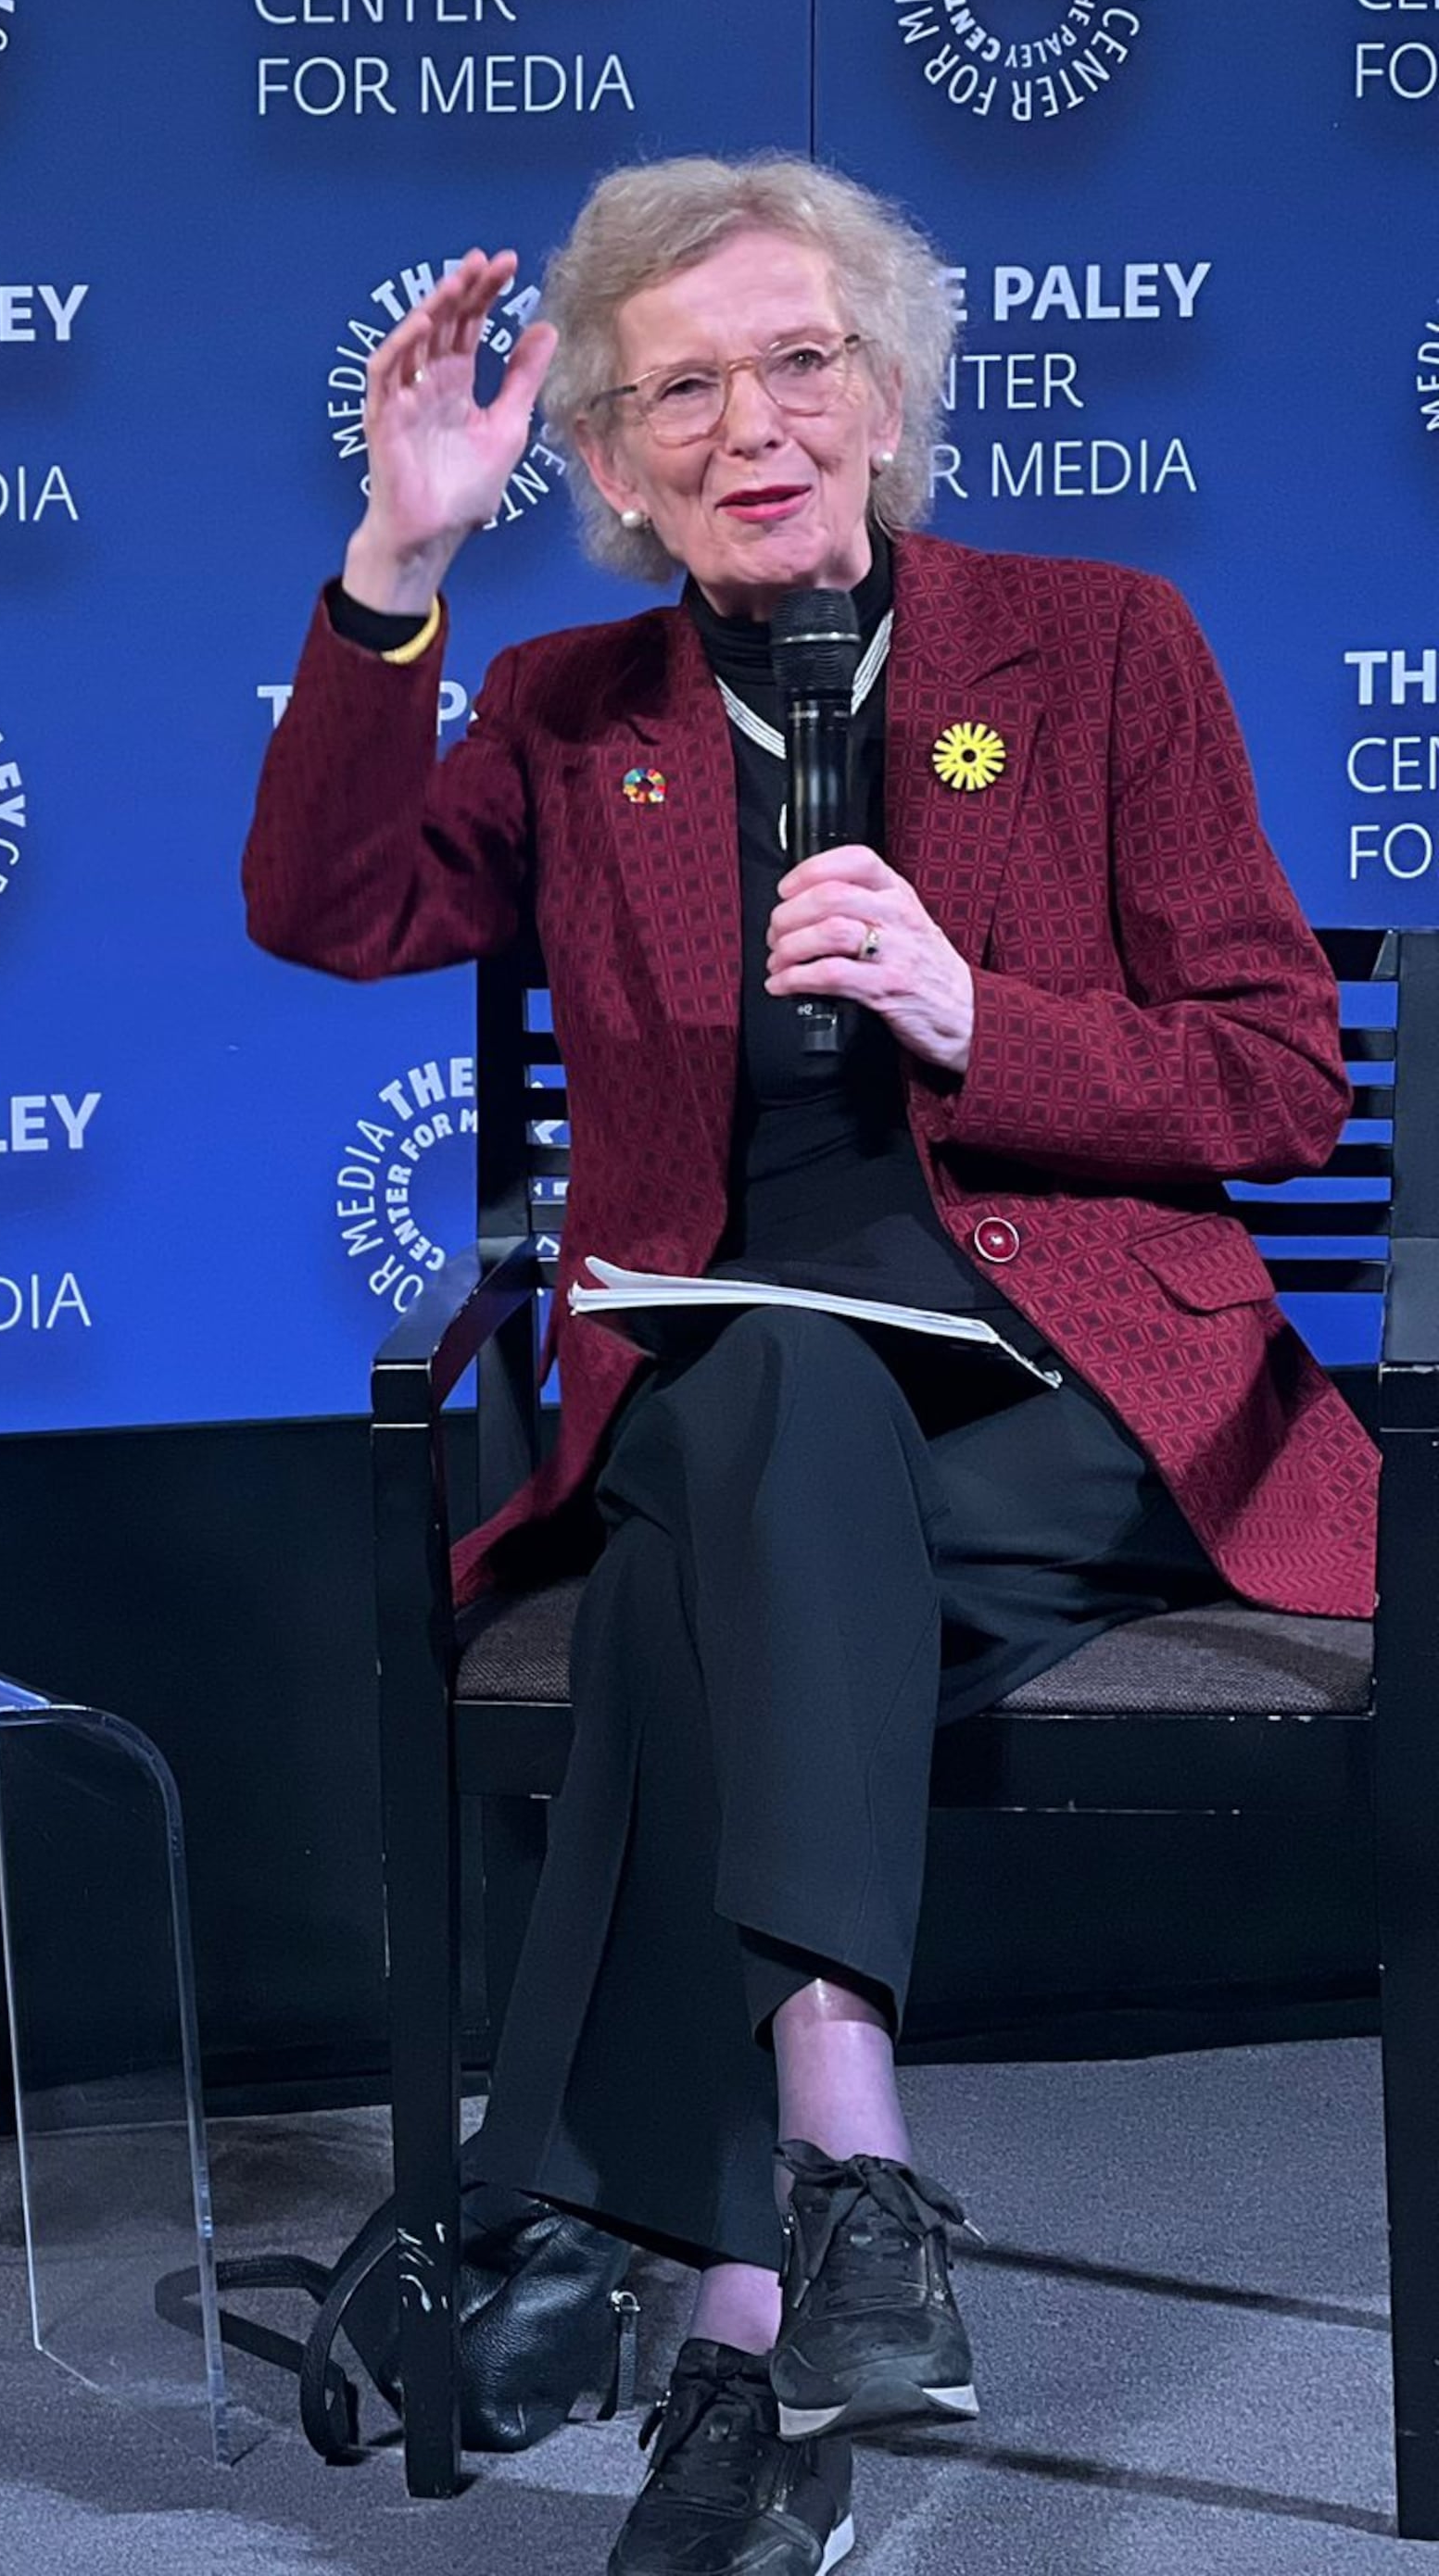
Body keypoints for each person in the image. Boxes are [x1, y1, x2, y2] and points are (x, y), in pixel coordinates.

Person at [241, 156, 1371, 2576]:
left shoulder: (1103, 647)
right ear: (610, 462)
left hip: (1078, 1404)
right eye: (679, 392)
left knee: (700, 1563)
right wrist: (397, 564)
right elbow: (326, 910)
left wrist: (982, 1015)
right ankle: (816, 2249)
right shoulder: (569, 711)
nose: (749, 424)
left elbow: (1283, 1076)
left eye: (797, 360)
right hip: (748, 1414)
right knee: (761, 1408)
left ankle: (720, 2299)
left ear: (886, 389)